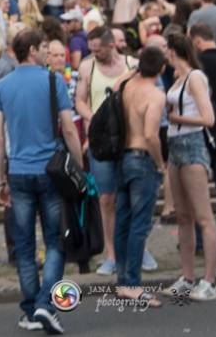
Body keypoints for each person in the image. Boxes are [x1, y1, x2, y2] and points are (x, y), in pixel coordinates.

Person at [0, 29, 83, 334]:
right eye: (43, 48)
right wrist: (79, 167)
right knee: (55, 241)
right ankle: (46, 302)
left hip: (18, 171)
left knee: (25, 244)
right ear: (32, 50)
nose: (47, 52)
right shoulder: (52, 81)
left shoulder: (2, 86)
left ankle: (31, 309)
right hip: (50, 171)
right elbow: (69, 129)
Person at [73, 26, 149, 275]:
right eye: (91, 51)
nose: (95, 55)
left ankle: (140, 248)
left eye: (99, 51)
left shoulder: (132, 64)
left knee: (135, 196)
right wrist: (95, 119)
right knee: (106, 199)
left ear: (111, 45)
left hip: (129, 139)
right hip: (101, 142)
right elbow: (80, 100)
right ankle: (112, 253)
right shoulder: (87, 67)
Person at [164, 33, 216, 301]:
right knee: (183, 215)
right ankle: (187, 276)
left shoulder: (195, 77)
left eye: (167, 49)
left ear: (174, 51)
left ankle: (209, 280)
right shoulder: (178, 79)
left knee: (203, 216)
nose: (165, 54)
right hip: (175, 146)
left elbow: (207, 117)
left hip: (191, 144)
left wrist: (176, 117)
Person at [113, 46, 168, 306]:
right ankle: (133, 284)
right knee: (139, 224)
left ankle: (123, 280)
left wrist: (133, 70)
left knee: (123, 221)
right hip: (142, 159)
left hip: (122, 157)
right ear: (161, 69)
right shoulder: (155, 95)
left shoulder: (127, 87)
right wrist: (161, 164)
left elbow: (114, 86)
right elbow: (150, 135)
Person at [188, 23, 216, 257]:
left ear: (198, 41)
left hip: (201, 133)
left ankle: (200, 243)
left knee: (196, 194)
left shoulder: (197, 68)